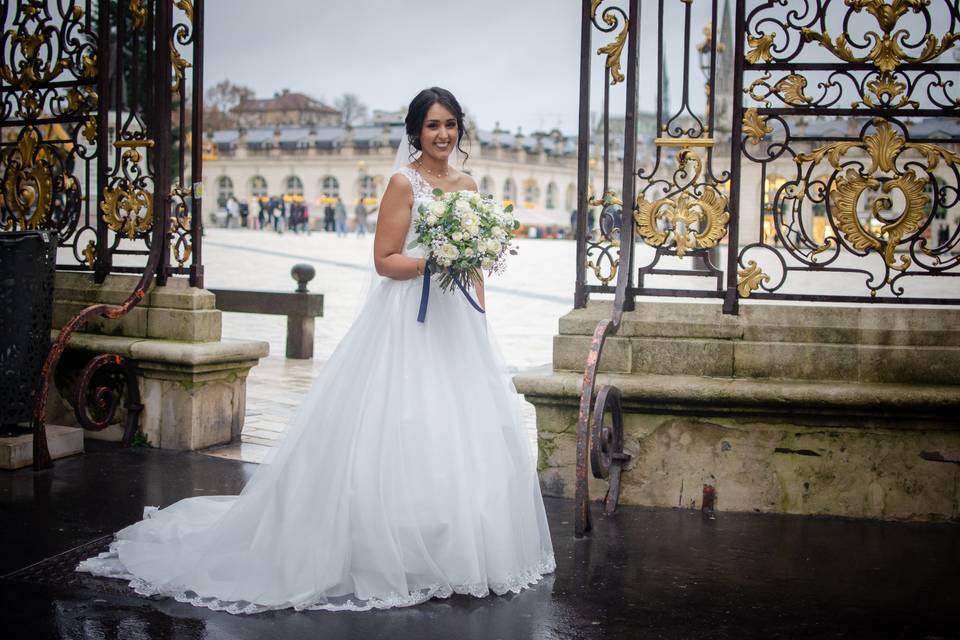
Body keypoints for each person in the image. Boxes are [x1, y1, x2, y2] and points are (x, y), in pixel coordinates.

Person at [76, 86, 555, 614]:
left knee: (460, 428)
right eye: (432, 125)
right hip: (406, 321)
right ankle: (385, 542)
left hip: (454, 320)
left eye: (450, 124)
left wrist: (479, 317)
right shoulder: (404, 183)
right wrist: (432, 261)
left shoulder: (467, 183)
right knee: (404, 420)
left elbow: (476, 263)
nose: (443, 134)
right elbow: (384, 260)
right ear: (415, 131)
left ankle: (456, 544)